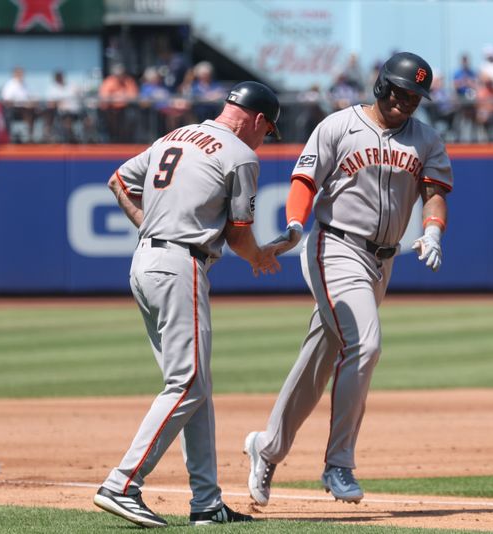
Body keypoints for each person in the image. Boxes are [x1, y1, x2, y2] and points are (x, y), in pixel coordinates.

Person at [243, 51, 453, 506]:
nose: (407, 102)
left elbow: (434, 195)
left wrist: (433, 231)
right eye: (401, 92)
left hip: (382, 262)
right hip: (334, 246)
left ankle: (267, 447)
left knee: (321, 359)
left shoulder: (427, 140)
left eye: (416, 96)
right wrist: (296, 225)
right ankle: (339, 463)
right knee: (366, 344)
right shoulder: (339, 126)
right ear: (381, 86)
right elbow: (304, 181)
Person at [94, 81, 283, 528]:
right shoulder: (240, 154)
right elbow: (238, 235)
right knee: (189, 384)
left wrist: (148, 226)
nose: (265, 138)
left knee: (195, 388)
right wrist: (262, 256)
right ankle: (122, 483)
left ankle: (206, 503)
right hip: (180, 265)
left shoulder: (173, 136)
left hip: (145, 262)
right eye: (268, 129)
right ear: (257, 119)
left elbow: (118, 179)